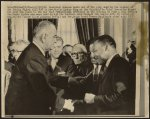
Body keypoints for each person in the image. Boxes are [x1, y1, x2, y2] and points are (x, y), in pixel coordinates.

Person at [5, 21, 72, 115]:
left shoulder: (35, 52)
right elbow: (42, 89)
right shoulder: (33, 56)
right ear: (44, 37)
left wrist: (71, 81)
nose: (55, 41)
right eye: (54, 36)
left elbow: (49, 77)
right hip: (22, 112)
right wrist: (64, 104)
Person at [84, 35, 131, 115]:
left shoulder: (120, 64)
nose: (93, 55)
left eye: (95, 51)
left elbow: (121, 96)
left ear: (106, 48)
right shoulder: (108, 64)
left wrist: (94, 99)